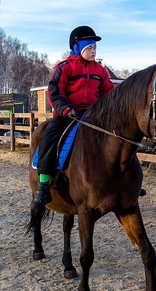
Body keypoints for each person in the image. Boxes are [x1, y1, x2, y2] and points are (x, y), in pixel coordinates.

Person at [31, 25, 115, 210]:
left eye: (95, 48)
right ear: (78, 48)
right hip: (68, 114)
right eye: (89, 48)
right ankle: (43, 186)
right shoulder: (65, 68)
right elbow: (54, 92)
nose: (94, 51)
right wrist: (64, 108)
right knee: (48, 136)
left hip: (93, 114)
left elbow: (108, 94)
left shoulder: (100, 71)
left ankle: (121, 182)